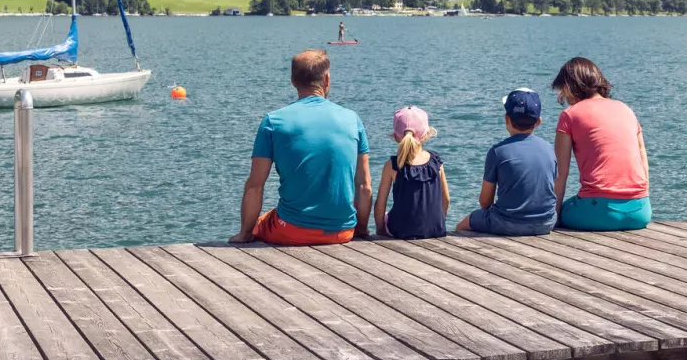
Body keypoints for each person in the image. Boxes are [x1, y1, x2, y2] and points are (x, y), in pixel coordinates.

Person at [229, 49, 371, 246]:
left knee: (260, 224)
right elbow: (364, 186)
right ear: (327, 79)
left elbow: (255, 186)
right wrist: (361, 229)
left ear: (293, 80)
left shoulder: (273, 121)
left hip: (292, 232)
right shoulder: (352, 119)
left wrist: (244, 233)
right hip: (343, 232)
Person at [551, 58, 651, 231]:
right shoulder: (625, 109)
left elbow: (561, 172)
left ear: (567, 86)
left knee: (567, 208)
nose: (563, 96)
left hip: (600, 212)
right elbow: (643, 163)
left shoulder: (569, 115)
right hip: (641, 213)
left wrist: (554, 216)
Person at [456, 89, 556, 237]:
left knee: (462, 225)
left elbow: (485, 202)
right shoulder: (549, 148)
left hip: (508, 223)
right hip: (546, 222)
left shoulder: (498, 151)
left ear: (506, 119)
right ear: (538, 122)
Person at [374, 106, 449, 239]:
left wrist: (380, 230)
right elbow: (446, 200)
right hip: (435, 230)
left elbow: (380, 204)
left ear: (397, 138)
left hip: (402, 231)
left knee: (386, 215)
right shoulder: (437, 163)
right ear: (426, 135)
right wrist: (438, 222)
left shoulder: (392, 165)